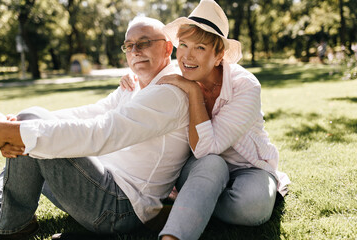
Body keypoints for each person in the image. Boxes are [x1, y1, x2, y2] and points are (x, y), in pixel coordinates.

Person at [0, 16, 192, 240]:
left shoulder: (169, 93)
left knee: (31, 132)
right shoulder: (135, 85)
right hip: (98, 186)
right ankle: (6, 214)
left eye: (144, 43)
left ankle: (10, 226)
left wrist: (16, 131)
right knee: (30, 124)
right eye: (129, 46)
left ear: (168, 47)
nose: (135, 51)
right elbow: (94, 111)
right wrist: (17, 126)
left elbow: (102, 132)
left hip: (120, 207)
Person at [121, 1, 290, 239]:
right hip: (199, 169)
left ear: (219, 55)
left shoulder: (245, 86)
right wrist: (131, 75)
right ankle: (190, 205)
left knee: (254, 209)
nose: (187, 56)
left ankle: (185, 206)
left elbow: (207, 146)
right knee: (212, 164)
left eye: (200, 47)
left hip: (247, 167)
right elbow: (151, 71)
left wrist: (193, 93)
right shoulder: (180, 74)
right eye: (184, 45)